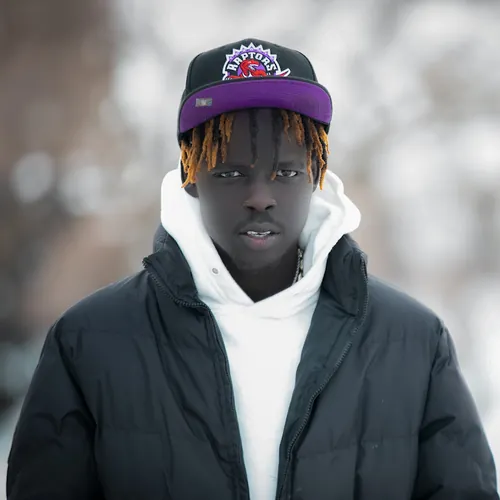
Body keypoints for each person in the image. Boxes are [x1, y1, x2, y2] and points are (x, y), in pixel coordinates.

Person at [6, 38, 498, 500]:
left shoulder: (413, 343)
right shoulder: (88, 343)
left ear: (316, 177)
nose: (260, 197)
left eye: (286, 172)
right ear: (191, 178)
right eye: (230, 172)